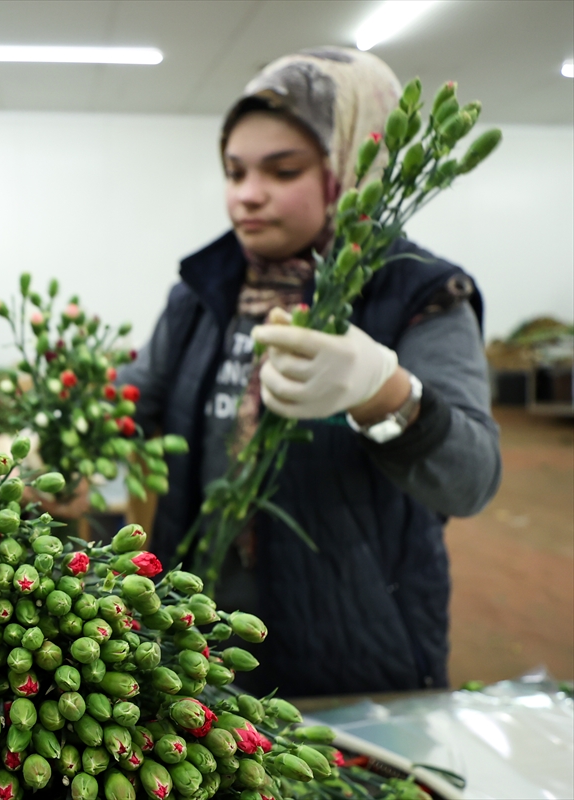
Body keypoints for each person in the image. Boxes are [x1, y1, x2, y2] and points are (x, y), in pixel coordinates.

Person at [120, 48, 500, 696]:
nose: (247, 194)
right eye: (234, 171)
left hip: (346, 658)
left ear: (355, 163)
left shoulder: (419, 295)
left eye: (282, 169)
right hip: (193, 643)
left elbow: (470, 480)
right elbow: (142, 398)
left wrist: (385, 393)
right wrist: (76, 425)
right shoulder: (204, 290)